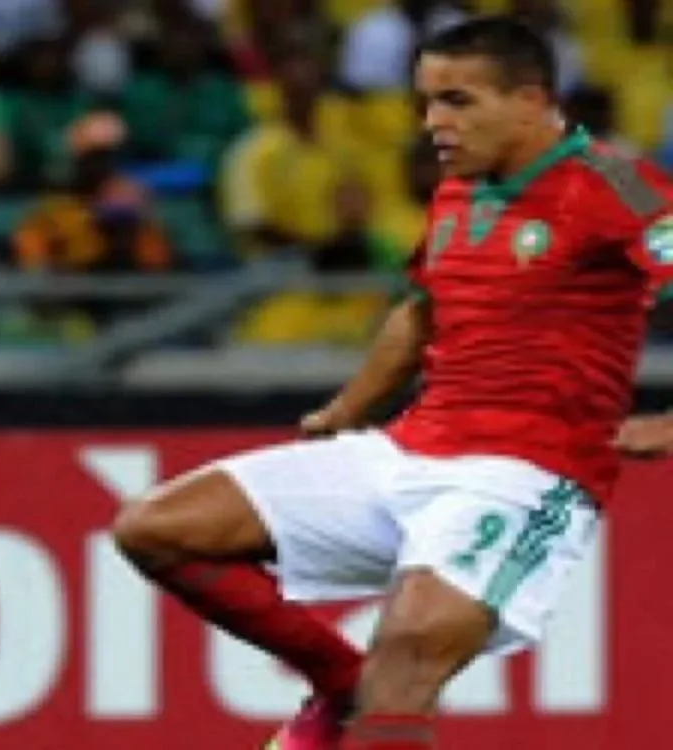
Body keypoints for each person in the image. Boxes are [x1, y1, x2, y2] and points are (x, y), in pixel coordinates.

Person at [112, 16, 673, 750]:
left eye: (457, 101)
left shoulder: (617, 186)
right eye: (426, 101)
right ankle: (339, 684)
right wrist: (345, 411)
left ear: (531, 101)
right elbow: (421, 312)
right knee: (155, 528)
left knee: (405, 662)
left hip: (527, 474)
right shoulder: (457, 190)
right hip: (412, 448)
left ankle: (364, 698)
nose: (434, 122)